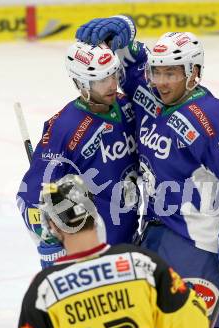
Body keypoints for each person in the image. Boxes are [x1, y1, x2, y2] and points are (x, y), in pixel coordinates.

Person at [76, 18, 219, 328]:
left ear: (193, 72)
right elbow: (130, 72)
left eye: (172, 73)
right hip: (158, 234)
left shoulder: (210, 116)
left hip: (199, 241)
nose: (161, 81)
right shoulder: (154, 97)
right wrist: (128, 43)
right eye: (157, 71)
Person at [12, 174, 209, 328]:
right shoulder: (141, 265)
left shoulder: (44, 292)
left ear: (53, 226)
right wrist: (189, 299)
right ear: (94, 213)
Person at [16, 39, 139, 269]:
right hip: (91, 254)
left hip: (133, 241)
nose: (112, 84)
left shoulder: (127, 107)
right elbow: (30, 196)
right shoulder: (64, 128)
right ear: (81, 84)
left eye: (113, 74)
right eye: (102, 79)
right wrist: (48, 239)